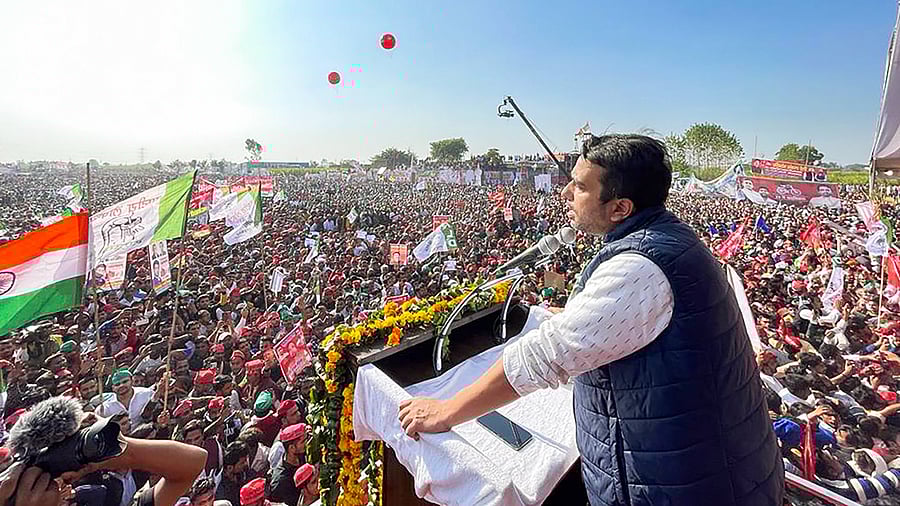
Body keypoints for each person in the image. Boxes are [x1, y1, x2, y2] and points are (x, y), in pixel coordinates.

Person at [397, 134, 784, 505]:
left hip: (680, 485)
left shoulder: (640, 267)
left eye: (580, 187)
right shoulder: (662, 239)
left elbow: (543, 357)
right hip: (694, 470)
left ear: (620, 208)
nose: (565, 194)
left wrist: (447, 410)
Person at [265, 423, 307, 506]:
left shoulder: (302, 456)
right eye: (303, 441)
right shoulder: (281, 481)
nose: (307, 443)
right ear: (291, 448)